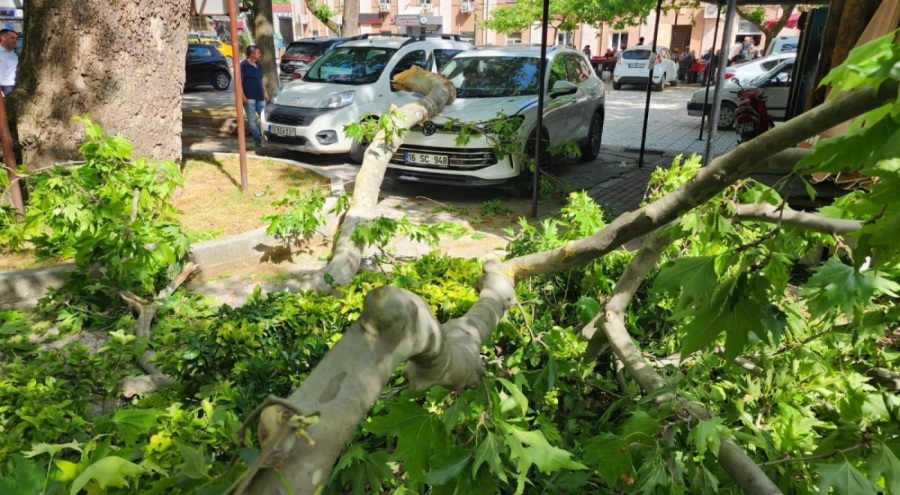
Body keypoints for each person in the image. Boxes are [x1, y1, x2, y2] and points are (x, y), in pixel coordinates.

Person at [240, 45, 268, 147]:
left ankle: (266, 136)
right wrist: (243, 96)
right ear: (252, 54)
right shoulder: (243, 66)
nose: (260, 54)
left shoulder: (258, 64)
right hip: (249, 98)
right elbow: (239, 82)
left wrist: (265, 92)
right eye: (258, 52)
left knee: (265, 118)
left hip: (260, 97)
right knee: (252, 121)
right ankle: (258, 138)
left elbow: (261, 79)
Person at [0, 29, 18, 97]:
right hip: (5, 87)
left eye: (16, 39)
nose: (15, 40)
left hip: (17, 85)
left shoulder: (15, 53)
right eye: (12, 38)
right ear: (2, 38)